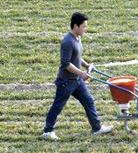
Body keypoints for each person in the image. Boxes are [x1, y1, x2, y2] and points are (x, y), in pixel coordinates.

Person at [41, 12, 112, 140]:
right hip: (66, 81)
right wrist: (82, 73)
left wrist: (86, 65)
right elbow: (66, 64)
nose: (86, 29)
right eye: (84, 26)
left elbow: (77, 57)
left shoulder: (77, 38)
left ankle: (97, 128)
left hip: (76, 80)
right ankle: (47, 131)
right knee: (58, 106)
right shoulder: (67, 41)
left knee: (89, 101)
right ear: (75, 26)